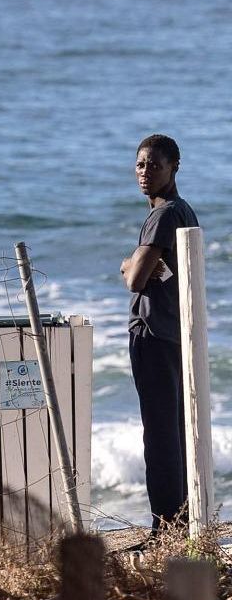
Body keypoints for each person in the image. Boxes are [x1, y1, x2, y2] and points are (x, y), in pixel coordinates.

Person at [121, 133, 200, 530]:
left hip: (152, 333)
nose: (145, 172)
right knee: (174, 432)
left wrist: (126, 264)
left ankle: (165, 527)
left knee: (160, 436)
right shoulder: (184, 212)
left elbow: (136, 279)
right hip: (174, 333)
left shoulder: (164, 214)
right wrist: (137, 264)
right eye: (139, 164)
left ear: (174, 168)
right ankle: (180, 522)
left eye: (154, 164)